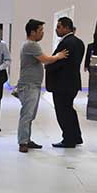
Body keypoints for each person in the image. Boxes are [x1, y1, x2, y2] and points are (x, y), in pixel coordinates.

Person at [16, 19, 68, 153]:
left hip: (33, 85)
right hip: (29, 86)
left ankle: (26, 139)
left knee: (30, 115)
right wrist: (58, 56)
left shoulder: (31, 45)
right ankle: (23, 142)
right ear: (32, 32)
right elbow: (45, 59)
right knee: (27, 115)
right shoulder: (31, 45)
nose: (42, 33)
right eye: (40, 30)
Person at [45, 17, 86, 148]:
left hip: (62, 84)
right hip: (73, 82)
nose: (56, 30)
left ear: (67, 28)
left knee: (63, 112)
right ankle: (76, 136)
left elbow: (59, 62)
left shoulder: (66, 43)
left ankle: (68, 139)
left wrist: (47, 65)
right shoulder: (79, 42)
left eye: (59, 27)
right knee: (69, 110)